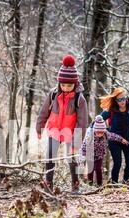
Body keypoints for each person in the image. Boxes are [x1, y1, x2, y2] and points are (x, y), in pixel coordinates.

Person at [36, 55, 88, 193]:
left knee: (72, 158)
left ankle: (75, 184)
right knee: (50, 156)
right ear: (59, 83)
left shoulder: (79, 99)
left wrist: (78, 138)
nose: (65, 88)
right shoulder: (53, 94)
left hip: (70, 132)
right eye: (63, 85)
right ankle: (49, 184)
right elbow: (43, 112)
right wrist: (39, 126)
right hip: (54, 130)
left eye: (69, 85)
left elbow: (82, 121)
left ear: (75, 84)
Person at [98, 87, 129, 184]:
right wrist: (92, 130)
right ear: (115, 100)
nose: (122, 101)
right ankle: (114, 184)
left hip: (128, 139)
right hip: (114, 140)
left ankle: (125, 182)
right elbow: (99, 119)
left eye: (124, 98)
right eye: (119, 99)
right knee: (117, 163)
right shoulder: (111, 109)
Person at [79, 115, 129, 186]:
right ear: (95, 130)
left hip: (99, 154)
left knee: (98, 169)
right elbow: (84, 146)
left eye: (101, 132)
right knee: (91, 170)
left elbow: (113, 136)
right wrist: (82, 156)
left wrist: (121, 139)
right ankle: (90, 184)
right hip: (90, 154)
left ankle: (99, 185)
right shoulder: (90, 134)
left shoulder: (105, 133)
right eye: (98, 132)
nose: (99, 134)